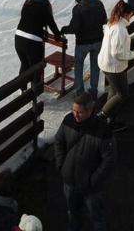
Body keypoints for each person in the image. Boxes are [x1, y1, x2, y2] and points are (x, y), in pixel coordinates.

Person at [55, 92, 116, 231]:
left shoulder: (103, 131)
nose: (75, 115)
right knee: (73, 214)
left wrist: (92, 180)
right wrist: (61, 165)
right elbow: (59, 140)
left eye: (80, 112)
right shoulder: (68, 120)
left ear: (90, 110)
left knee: (97, 220)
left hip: (91, 188)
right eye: (73, 110)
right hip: (70, 182)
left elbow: (110, 161)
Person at [98, 1, 134, 131]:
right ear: (125, 14)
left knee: (114, 90)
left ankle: (110, 117)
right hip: (113, 66)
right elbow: (117, 52)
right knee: (123, 93)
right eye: (130, 15)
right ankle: (103, 115)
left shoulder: (112, 23)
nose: (131, 18)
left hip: (107, 62)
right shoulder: (119, 29)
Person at [60, 0, 107, 98]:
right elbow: (104, 20)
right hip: (98, 41)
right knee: (95, 66)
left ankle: (79, 92)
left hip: (82, 43)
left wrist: (63, 30)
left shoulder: (78, 8)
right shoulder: (99, 4)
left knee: (79, 66)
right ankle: (94, 91)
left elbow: (74, 28)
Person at [14, 0, 64, 79]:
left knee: (24, 65)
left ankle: (22, 89)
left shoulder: (27, 2)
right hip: (32, 43)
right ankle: (35, 93)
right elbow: (51, 24)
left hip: (18, 38)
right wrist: (58, 35)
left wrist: (40, 30)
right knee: (35, 69)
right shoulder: (44, 7)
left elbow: (31, 21)